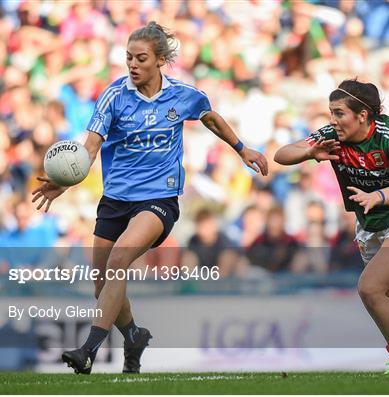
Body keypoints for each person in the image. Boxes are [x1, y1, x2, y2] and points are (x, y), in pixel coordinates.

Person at [32, 21, 268, 375]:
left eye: (141, 58)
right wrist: (65, 182)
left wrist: (241, 148)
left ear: (160, 60)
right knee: (102, 285)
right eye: (128, 57)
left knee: (118, 262)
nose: (133, 64)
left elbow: (211, 118)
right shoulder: (113, 96)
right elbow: (90, 148)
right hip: (115, 200)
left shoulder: (183, 94)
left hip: (158, 199)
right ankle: (134, 335)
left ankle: (88, 350)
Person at [274, 79, 389, 374]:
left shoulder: (387, 134)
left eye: (339, 113)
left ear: (362, 114)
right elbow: (281, 155)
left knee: (370, 287)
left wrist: (379, 195)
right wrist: (310, 153)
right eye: (331, 112)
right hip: (372, 225)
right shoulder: (331, 136)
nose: (333, 120)